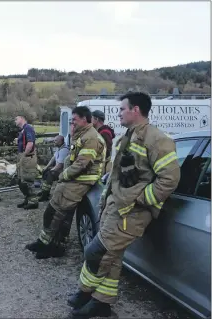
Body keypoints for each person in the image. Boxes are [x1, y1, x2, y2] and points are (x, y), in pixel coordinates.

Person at [68, 92, 181, 318]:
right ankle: (102, 302)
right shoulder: (129, 136)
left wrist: (141, 200)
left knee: (96, 251)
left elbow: (169, 179)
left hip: (132, 212)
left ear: (135, 110)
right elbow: (118, 175)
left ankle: (85, 291)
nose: (118, 113)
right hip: (116, 206)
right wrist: (105, 199)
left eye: (121, 109)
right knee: (114, 255)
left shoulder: (158, 140)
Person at [25, 106, 106, 259]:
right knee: (58, 213)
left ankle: (50, 246)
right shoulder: (82, 134)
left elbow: (82, 164)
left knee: (56, 213)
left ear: (84, 119)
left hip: (79, 181)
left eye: (74, 120)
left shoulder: (91, 138)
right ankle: (48, 243)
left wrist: (63, 175)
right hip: (73, 180)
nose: (72, 123)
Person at [15, 115, 39, 210]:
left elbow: (30, 143)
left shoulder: (28, 128)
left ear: (22, 118)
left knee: (27, 181)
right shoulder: (24, 130)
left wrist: (24, 155)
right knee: (21, 181)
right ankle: (28, 199)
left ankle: (33, 202)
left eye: (16, 119)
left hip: (28, 157)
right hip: (24, 156)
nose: (15, 121)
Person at [37, 135, 68, 202]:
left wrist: (51, 170)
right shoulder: (58, 148)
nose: (54, 142)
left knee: (50, 174)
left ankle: (45, 195)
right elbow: (53, 159)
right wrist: (46, 168)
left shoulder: (64, 150)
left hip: (62, 172)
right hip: (58, 169)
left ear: (61, 141)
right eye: (54, 140)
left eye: (56, 140)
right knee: (45, 172)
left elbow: (60, 165)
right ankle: (44, 191)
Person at [92, 110, 116, 175]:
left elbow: (107, 151)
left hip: (102, 166)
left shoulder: (104, 133)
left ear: (96, 119)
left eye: (91, 118)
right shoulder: (99, 132)